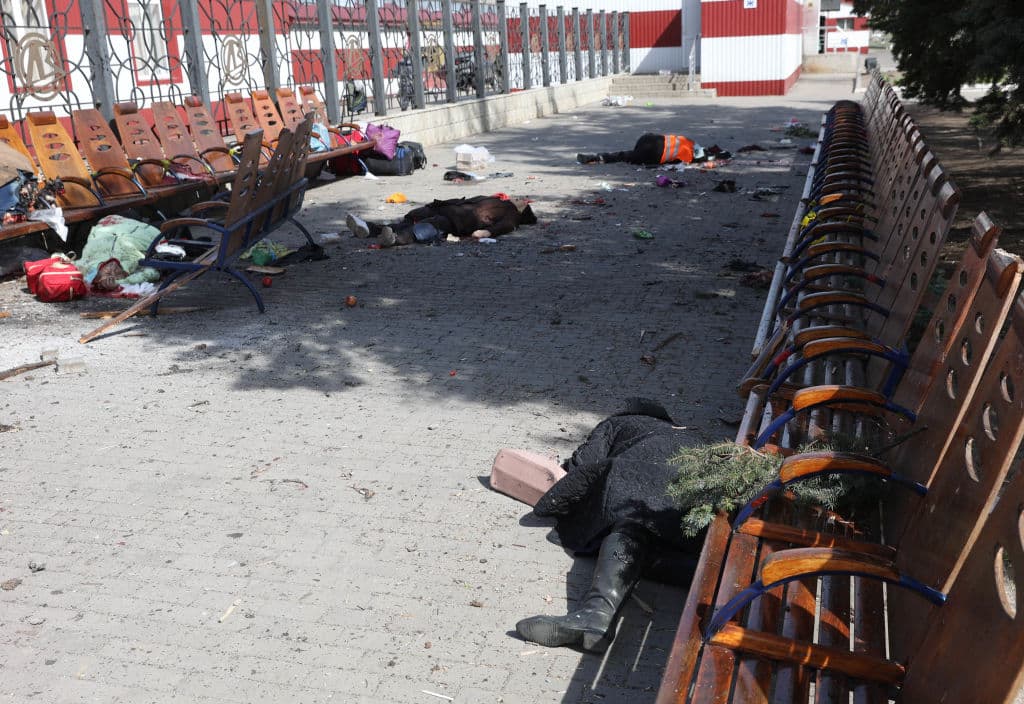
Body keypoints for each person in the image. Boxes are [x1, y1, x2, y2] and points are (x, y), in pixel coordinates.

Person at [492, 398, 704, 653]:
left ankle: (596, 615)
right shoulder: (693, 435)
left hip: (644, 478)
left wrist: (566, 466)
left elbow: (586, 463)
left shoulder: (615, 424)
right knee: (650, 531)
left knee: (630, 521)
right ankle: (703, 573)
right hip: (698, 504)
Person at [346, 195, 537, 247]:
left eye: (521, 200)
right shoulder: (500, 202)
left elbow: (506, 226)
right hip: (450, 210)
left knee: (428, 228)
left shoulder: (512, 214)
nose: (518, 198)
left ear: (522, 209)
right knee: (411, 220)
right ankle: (370, 229)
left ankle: (394, 239)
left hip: (460, 220)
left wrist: (487, 232)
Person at [577, 134, 729, 166]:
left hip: (648, 139)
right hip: (655, 153)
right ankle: (597, 158)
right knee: (627, 156)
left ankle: (596, 157)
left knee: (628, 154)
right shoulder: (693, 156)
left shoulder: (689, 141)